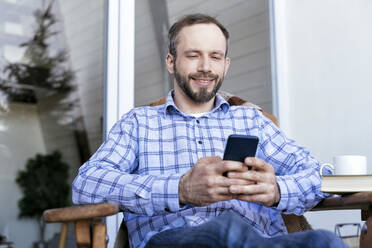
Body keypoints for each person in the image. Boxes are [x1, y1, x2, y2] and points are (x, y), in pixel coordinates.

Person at [72, 14, 346, 248]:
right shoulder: (138, 123)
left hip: (261, 240)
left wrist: (278, 191)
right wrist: (180, 189)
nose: (205, 67)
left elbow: (321, 175)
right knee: (226, 230)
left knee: (326, 241)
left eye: (215, 57)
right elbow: (87, 185)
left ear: (225, 65)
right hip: (174, 239)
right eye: (193, 55)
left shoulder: (252, 120)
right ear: (171, 62)